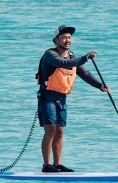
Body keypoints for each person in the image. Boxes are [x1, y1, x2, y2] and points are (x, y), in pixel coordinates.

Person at [36, 25, 109, 172]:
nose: (67, 40)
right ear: (56, 40)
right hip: (47, 97)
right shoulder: (51, 55)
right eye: (63, 37)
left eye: (69, 37)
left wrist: (100, 85)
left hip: (62, 98)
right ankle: (47, 165)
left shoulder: (72, 56)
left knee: (60, 131)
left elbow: (84, 74)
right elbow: (63, 63)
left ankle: (57, 164)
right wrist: (84, 58)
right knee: (50, 130)